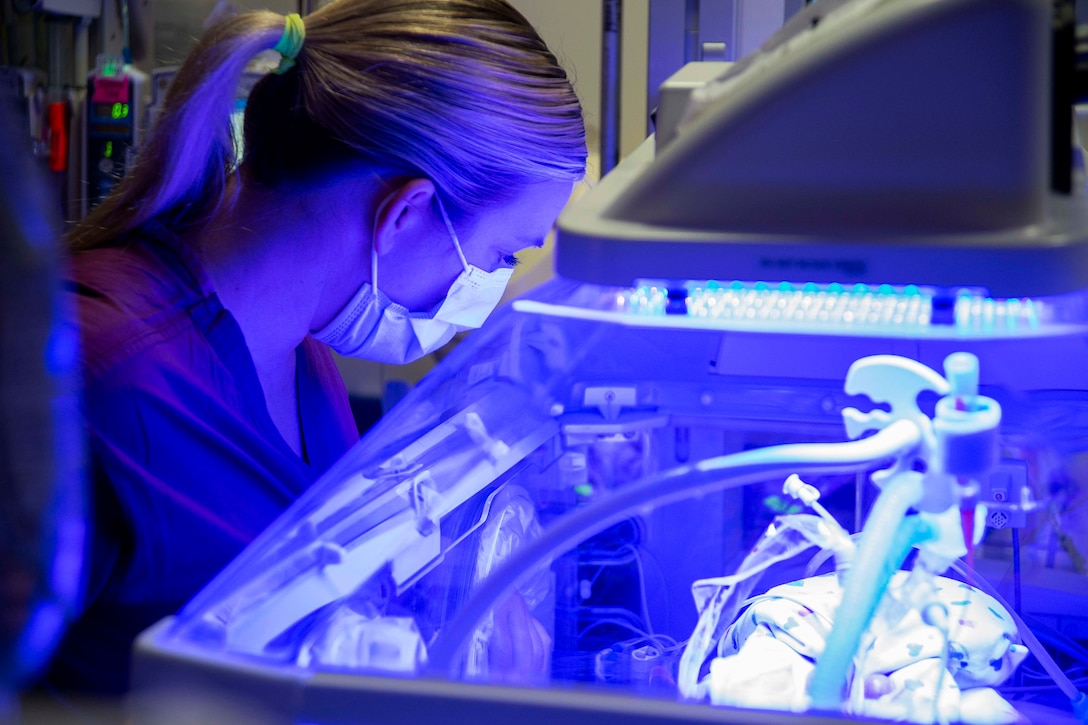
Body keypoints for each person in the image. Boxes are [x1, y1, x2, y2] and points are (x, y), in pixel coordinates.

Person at [48, 0, 585, 694]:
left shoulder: (300, 355)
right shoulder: (99, 384)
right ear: (406, 213)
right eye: (499, 255)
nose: (483, 296)